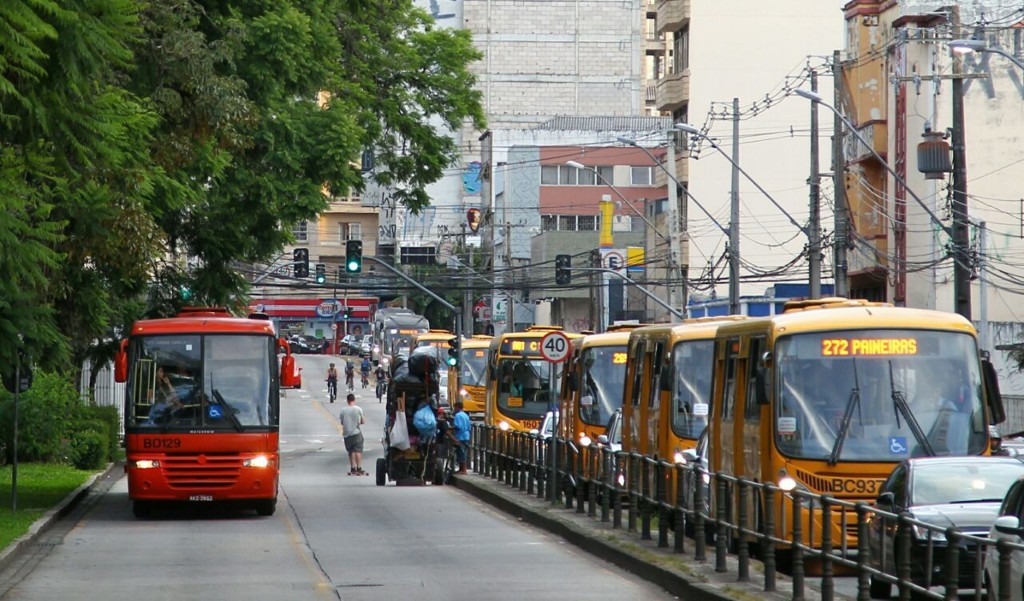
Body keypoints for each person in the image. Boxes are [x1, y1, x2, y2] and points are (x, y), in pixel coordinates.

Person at [339, 393, 366, 475]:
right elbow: (363, 421)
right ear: (354, 400)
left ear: (347, 401)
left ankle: (352, 467)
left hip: (347, 433)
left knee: (351, 451)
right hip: (356, 432)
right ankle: (359, 467)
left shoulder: (343, 410)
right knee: (358, 450)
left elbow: (342, 422)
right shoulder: (358, 409)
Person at [449, 400, 471, 474]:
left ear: (457, 407)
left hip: (460, 436)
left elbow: (457, 426)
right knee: (463, 452)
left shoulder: (458, 415)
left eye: (454, 407)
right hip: (466, 435)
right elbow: (469, 426)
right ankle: (461, 469)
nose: (454, 409)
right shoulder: (466, 415)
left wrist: (450, 428)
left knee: (461, 453)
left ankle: (463, 470)